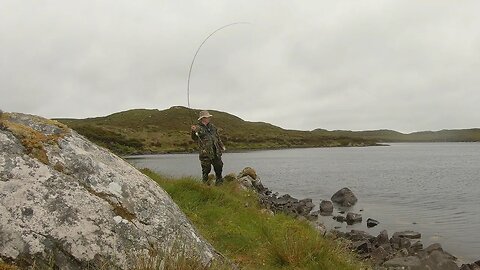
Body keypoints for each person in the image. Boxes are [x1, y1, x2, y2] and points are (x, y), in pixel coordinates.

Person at [191, 110, 226, 185]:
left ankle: (219, 182)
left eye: (209, 117)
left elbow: (217, 137)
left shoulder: (212, 127)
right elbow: (194, 137)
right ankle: (205, 184)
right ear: (202, 118)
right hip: (205, 153)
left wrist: (221, 145)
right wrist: (193, 131)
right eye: (207, 117)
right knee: (206, 169)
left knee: (219, 166)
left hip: (216, 151)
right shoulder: (198, 127)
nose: (209, 118)